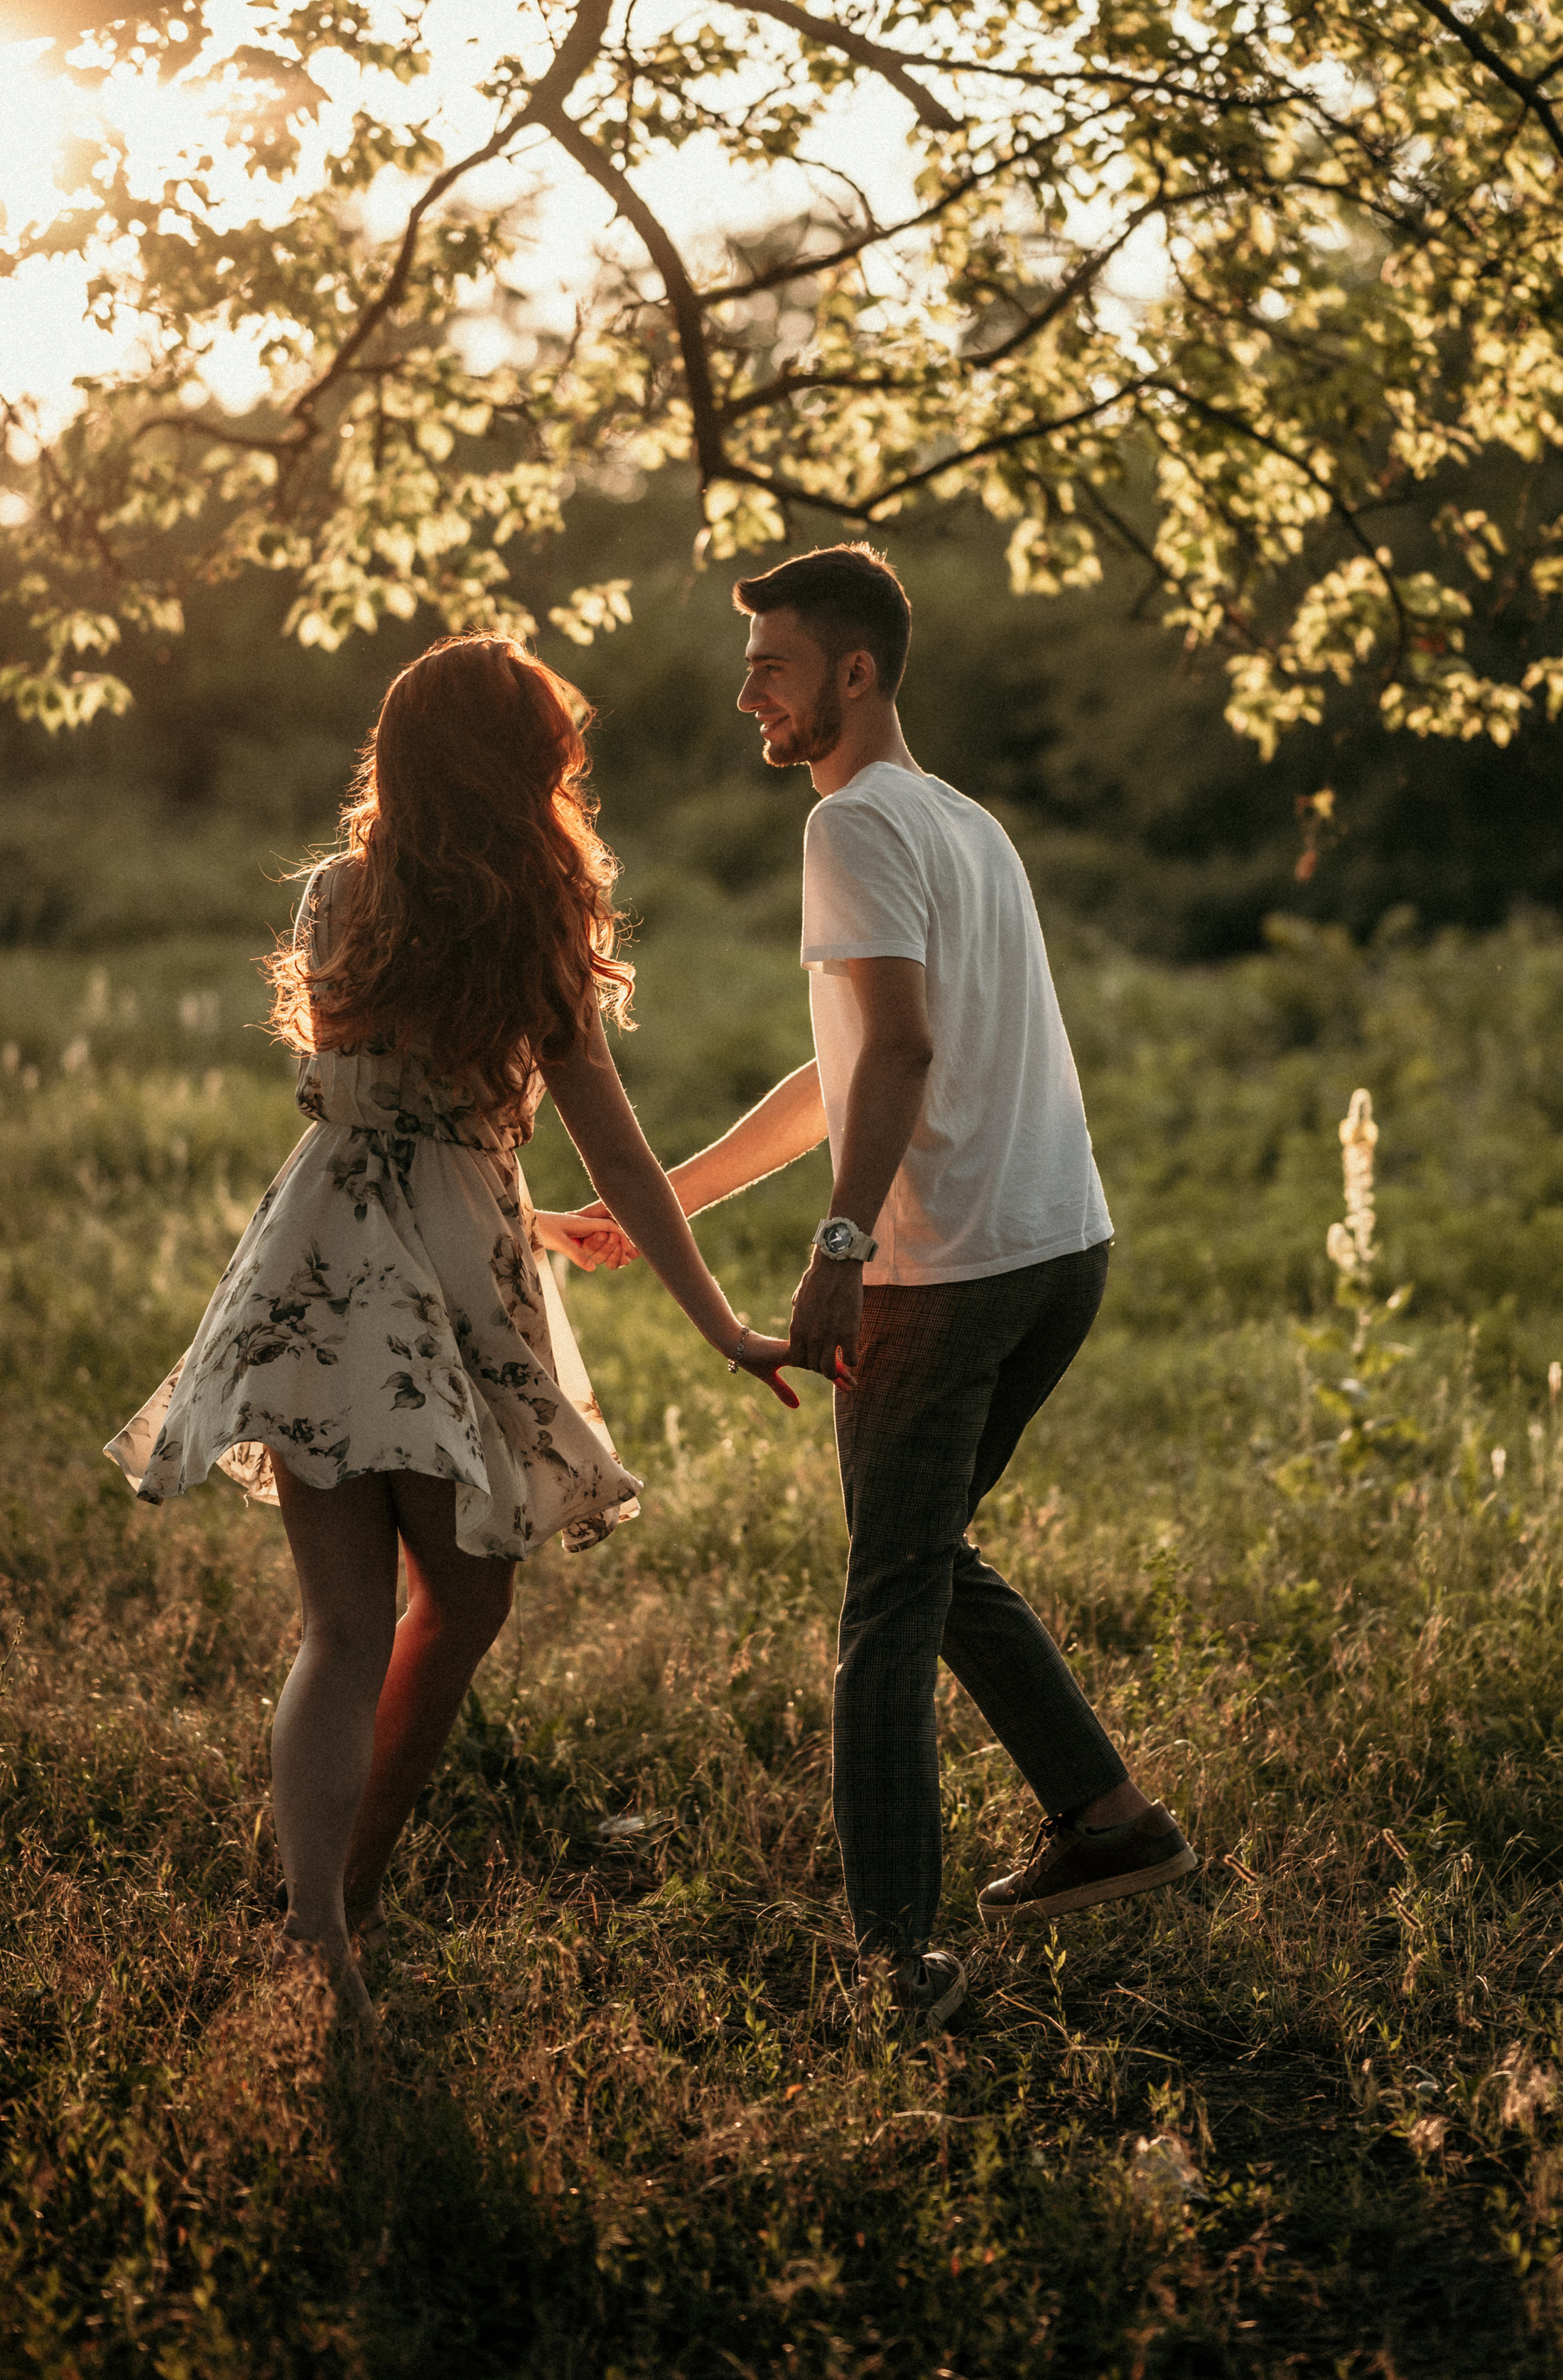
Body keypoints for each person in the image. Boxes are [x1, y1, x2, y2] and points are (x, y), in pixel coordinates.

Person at [107, 636, 816, 2029]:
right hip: (446, 1268)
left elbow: (356, 1078)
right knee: (465, 1597)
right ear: (524, 770)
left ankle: (321, 1921)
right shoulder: (531, 929)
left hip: (313, 1248)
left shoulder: (332, 899)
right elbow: (614, 1156)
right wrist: (721, 1320)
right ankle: (337, 1905)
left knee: (342, 1624)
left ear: (402, 759)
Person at [595, 545, 1195, 2028]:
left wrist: (841, 1249)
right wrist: (662, 1203)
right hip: (1062, 1250)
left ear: (851, 673)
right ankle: (1107, 1820)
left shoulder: (854, 825)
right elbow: (848, 1065)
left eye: (772, 667)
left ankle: (891, 1954)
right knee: (921, 1558)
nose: (748, 695)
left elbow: (904, 1057)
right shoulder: (963, 823)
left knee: (884, 1599)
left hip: (949, 1270)